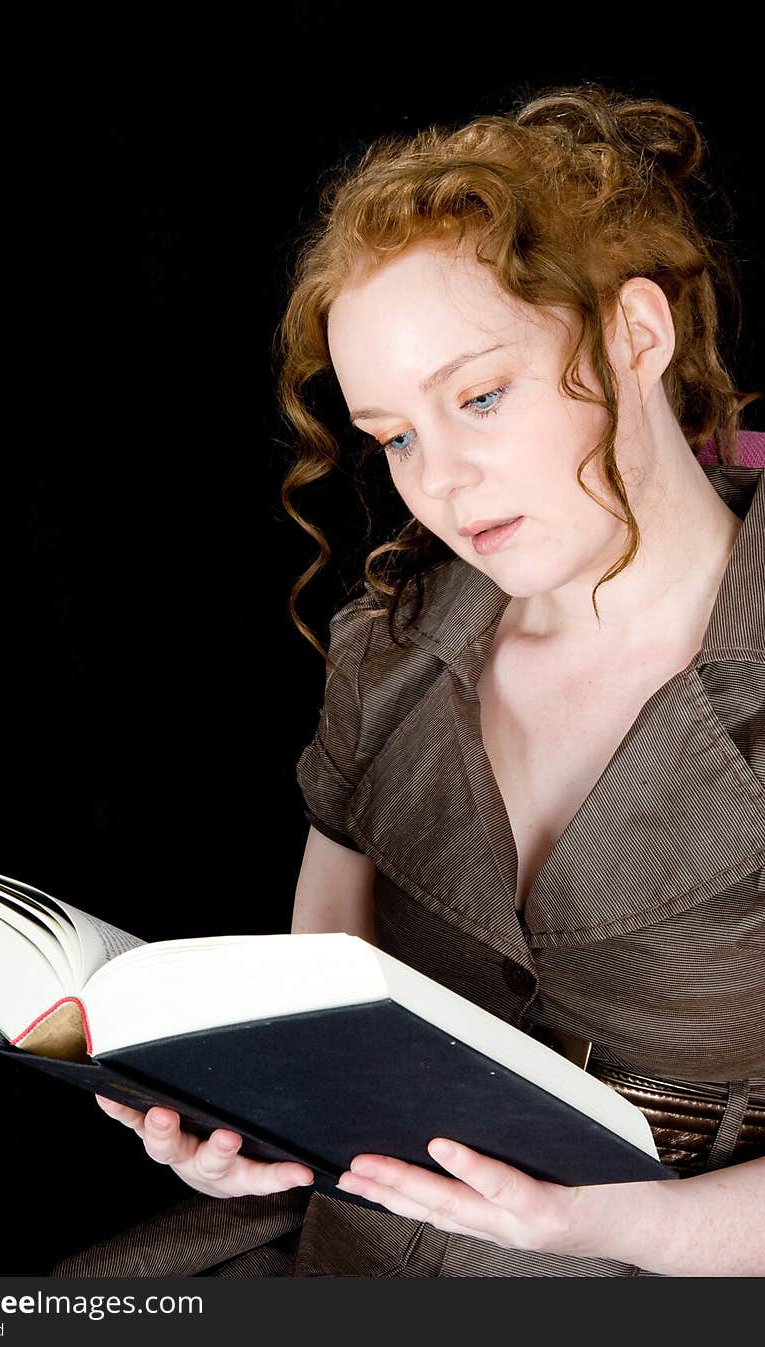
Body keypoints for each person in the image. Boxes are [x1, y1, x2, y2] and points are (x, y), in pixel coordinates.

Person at [52, 83, 765, 1277]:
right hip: (352, 1245)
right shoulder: (388, 646)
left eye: (480, 397)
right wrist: (255, 1119)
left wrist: (591, 1222)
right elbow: (322, 998)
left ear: (636, 337)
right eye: (394, 435)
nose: (439, 482)